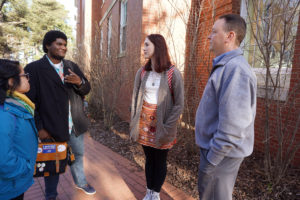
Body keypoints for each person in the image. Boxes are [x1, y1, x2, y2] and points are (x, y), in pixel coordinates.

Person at [24, 30, 95, 200]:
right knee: (52, 160)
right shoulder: (34, 69)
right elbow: (29, 103)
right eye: (59, 44)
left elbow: (87, 88)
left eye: (65, 44)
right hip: (51, 127)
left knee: (77, 155)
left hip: (75, 124)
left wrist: (80, 82)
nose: (63, 47)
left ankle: (81, 181)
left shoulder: (71, 66)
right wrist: (40, 127)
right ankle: (51, 195)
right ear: (48, 45)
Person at [195, 14, 257, 200]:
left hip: (220, 157)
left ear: (229, 36)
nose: (209, 36)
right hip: (217, 154)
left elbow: (233, 126)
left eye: (214, 32)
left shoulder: (235, 69)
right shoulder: (227, 66)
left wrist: (212, 159)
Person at [130, 34, 184, 200]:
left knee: (160, 160)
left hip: (162, 125)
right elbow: (135, 99)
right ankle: (149, 192)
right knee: (149, 159)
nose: (144, 48)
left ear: (157, 47)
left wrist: (168, 127)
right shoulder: (142, 72)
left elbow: (179, 104)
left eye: (147, 45)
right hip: (144, 123)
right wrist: (134, 122)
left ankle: (156, 193)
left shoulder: (172, 73)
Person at [0, 59, 38, 200]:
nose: (28, 78)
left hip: (14, 184)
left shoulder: (17, 106)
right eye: (24, 75)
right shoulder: (5, 113)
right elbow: (3, 159)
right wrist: (25, 167)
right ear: (10, 81)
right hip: (7, 187)